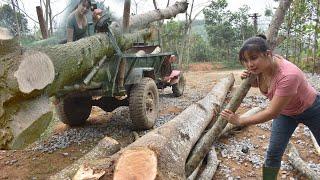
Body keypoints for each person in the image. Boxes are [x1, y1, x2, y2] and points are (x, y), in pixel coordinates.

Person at [220, 35, 320, 180]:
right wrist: (250, 80)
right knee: (273, 154)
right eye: (245, 61)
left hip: (312, 110)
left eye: (253, 58)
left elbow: (272, 112)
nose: (249, 64)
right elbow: (269, 86)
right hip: (286, 113)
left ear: (268, 54)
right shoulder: (261, 68)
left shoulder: (288, 75)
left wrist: (241, 120)